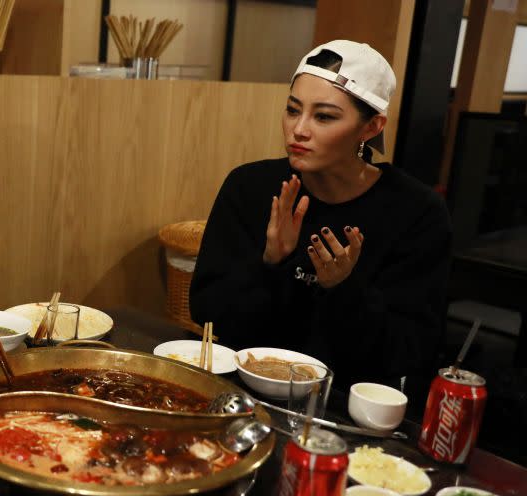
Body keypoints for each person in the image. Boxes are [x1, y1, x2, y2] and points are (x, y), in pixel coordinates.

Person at [190, 40, 451, 393]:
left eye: (324, 116)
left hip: (343, 403)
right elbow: (207, 311)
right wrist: (271, 262)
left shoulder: (416, 211)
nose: (299, 129)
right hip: (243, 389)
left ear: (371, 127)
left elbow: (409, 351)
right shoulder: (250, 186)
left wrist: (345, 288)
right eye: (293, 110)